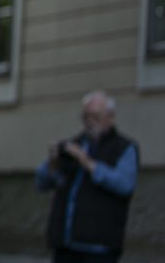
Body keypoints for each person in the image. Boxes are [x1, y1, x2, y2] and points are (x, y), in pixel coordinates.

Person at [35, 90, 139, 262]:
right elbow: (42, 184)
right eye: (85, 117)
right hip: (65, 244)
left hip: (99, 248)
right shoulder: (72, 145)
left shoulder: (125, 147)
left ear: (110, 118)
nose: (90, 122)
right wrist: (52, 163)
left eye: (96, 116)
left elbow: (125, 185)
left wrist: (87, 162)